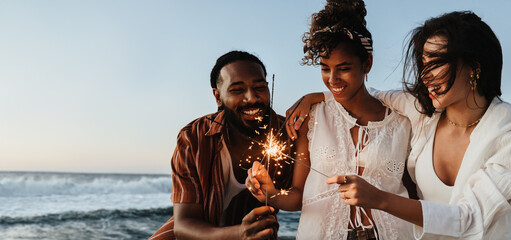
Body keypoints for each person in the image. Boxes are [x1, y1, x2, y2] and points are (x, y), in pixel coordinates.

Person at [289, 11, 511, 239]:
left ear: (474, 66)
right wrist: (316, 97)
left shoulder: (505, 132)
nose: (426, 76)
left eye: (437, 63)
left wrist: (379, 198)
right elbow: (370, 95)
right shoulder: (422, 111)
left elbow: (470, 218)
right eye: (423, 64)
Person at [246, 0, 413, 239]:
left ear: (367, 63)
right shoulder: (313, 117)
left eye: (343, 68)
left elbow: (413, 194)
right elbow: (299, 197)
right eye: (325, 68)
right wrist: (270, 192)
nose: (332, 79)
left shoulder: (402, 122)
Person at [149, 50, 295, 240]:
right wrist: (240, 234)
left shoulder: (290, 134)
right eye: (237, 90)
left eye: (259, 87)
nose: (251, 98)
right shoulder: (193, 137)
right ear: (218, 97)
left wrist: (313, 98)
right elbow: (183, 225)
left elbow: (302, 197)